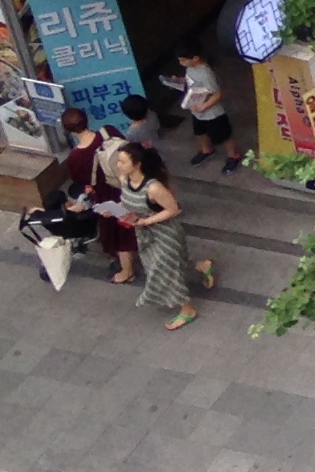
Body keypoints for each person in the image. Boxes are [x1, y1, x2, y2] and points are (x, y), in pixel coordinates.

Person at [116, 142, 213, 330]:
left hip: (165, 234)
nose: (118, 165)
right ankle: (203, 266)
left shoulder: (153, 188)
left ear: (137, 164)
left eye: (122, 161)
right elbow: (128, 203)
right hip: (144, 234)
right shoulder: (124, 180)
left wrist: (146, 221)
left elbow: (173, 209)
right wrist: (117, 211)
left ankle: (187, 309)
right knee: (172, 264)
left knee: (164, 269)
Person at [59, 109, 134, 286]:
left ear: (67, 130)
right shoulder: (108, 131)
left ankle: (127, 270)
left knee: (119, 230)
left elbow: (82, 182)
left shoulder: (75, 157)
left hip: (106, 196)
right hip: (130, 184)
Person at [17, 181, 98, 290]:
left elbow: (33, 211)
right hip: (80, 229)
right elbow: (83, 208)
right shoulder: (72, 213)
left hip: (60, 230)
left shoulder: (46, 218)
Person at [173, 51, 239, 172]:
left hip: (213, 113)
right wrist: (179, 81)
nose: (181, 63)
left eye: (183, 60)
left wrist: (204, 106)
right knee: (200, 131)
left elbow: (217, 94)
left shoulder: (206, 74)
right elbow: (191, 82)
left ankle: (233, 155)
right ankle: (206, 150)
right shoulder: (190, 68)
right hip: (196, 109)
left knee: (224, 135)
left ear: (195, 58)